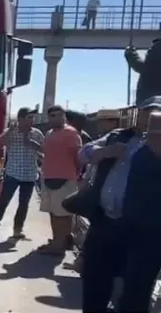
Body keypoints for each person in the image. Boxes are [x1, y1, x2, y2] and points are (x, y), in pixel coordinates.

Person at [79, 96, 161, 312]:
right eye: (148, 110)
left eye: (158, 112)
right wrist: (103, 152)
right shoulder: (117, 136)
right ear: (138, 113)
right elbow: (83, 153)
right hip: (105, 223)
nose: (152, 116)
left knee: (135, 293)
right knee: (94, 285)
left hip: (143, 233)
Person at [0, 107, 44, 240]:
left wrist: (31, 143)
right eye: (29, 117)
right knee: (3, 202)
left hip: (30, 174)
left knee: (23, 204)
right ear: (20, 119)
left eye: (33, 118)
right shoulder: (11, 132)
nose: (32, 120)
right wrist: (9, 132)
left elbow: (44, 149)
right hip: (13, 174)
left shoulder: (37, 133)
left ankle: (17, 230)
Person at [38, 105, 83, 255]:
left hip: (65, 178)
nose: (54, 118)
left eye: (58, 115)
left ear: (64, 116)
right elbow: (45, 151)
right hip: (48, 177)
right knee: (53, 212)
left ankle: (58, 246)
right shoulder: (49, 133)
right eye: (51, 115)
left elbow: (78, 157)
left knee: (62, 214)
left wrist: (77, 175)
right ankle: (60, 240)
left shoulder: (71, 133)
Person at [125, 38, 161, 105]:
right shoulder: (146, 67)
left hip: (145, 101)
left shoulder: (147, 67)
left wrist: (129, 51)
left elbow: (135, 60)